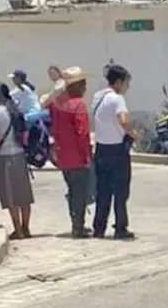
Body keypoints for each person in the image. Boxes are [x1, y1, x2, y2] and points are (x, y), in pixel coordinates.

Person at [0, 82, 35, 239]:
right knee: (24, 195)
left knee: (10, 196)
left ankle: (18, 230)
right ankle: (26, 228)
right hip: (20, 156)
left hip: (4, 157)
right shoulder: (14, 109)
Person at [91, 64, 135, 239]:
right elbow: (123, 120)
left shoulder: (97, 97)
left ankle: (99, 228)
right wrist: (132, 133)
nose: (127, 87)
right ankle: (120, 227)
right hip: (117, 150)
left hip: (101, 149)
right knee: (120, 192)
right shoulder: (117, 99)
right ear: (118, 82)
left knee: (103, 191)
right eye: (126, 83)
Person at [49, 67, 93, 238]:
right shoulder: (78, 104)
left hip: (63, 155)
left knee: (72, 191)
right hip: (77, 156)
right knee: (80, 192)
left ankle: (75, 223)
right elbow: (82, 133)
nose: (85, 88)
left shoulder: (57, 103)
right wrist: (87, 155)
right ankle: (78, 226)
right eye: (83, 84)